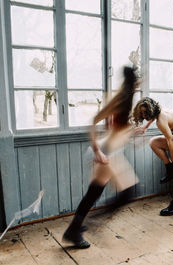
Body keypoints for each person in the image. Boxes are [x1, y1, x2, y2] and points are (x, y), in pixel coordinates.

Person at [63, 66, 139, 249]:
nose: (138, 85)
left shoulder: (127, 100)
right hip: (108, 152)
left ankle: (73, 230)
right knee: (130, 192)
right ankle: (95, 221)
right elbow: (94, 121)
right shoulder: (120, 99)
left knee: (93, 193)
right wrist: (97, 150)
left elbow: (118, 129)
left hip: (111, 151)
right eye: (137, 82)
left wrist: (133, 132)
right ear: (133, 83)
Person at [132, 97, 173, 216]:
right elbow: (170, 137)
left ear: (151, 110)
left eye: (145, 112)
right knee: (154, 142)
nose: (144, 115)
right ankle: (169, 168)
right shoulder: (160, 111)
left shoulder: (161, 121)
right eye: (141, 113)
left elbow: (170, 139)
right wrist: (145, 127)